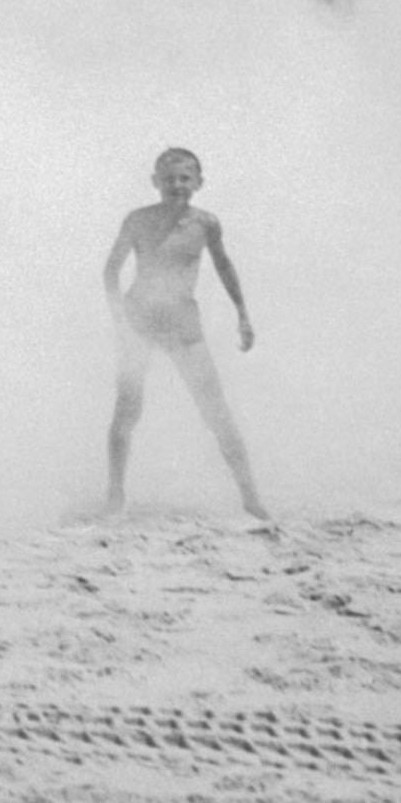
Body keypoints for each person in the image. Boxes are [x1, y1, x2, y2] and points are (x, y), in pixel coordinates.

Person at [101, 146, 270, 523]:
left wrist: (242, 313)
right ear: (154, 182)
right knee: (128, 411)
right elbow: (111, 270)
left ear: (198, 183)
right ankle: (115, 497)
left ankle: (251, 498)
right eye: (168, 179)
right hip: (141, 320)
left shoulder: (205, 223)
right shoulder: (138, 220)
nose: (176, 186)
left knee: (217, 412)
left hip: (183, 324)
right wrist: (119, 320)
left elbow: (224, 265)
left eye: (184, 179)